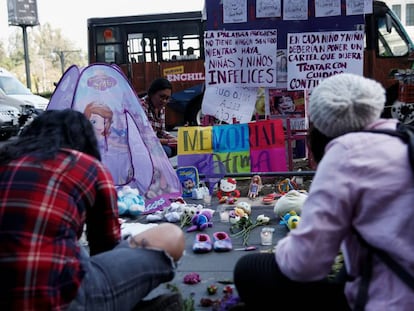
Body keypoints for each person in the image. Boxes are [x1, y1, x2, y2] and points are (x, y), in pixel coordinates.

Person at [233, 73, 414, 310]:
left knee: (250, 268)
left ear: (320, 124)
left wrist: (287, 246)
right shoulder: (404, 138)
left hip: (391, 299)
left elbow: (305, 264)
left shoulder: (345, 152)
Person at [0, 109, 185, 310]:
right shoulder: (87, 166)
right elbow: (105, 248)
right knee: (171, 235)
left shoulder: (5, 162)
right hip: (61, 298)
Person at [141, 78, 178, 158]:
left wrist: (176, 139)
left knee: (180, 147)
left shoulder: (161, 107)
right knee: (166, 150)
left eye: (167, 98)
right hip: (143, 146)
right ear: (152, 94)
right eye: (162, 97)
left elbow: (161, 132)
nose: (164, 101)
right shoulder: (141, 107)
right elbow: (145, 138)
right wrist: (168, 141)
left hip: (155, 143)